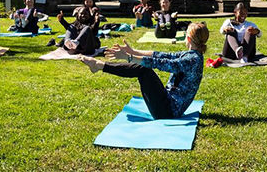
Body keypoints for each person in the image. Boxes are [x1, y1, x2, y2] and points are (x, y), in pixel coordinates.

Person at [79, 22, 209, 119]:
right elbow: (161, 55)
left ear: (188, 39)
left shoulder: (193, 60)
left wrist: (128, 57)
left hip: (168, 111)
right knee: (145, 68)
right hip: (167, 103)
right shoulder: (192, 55)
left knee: (143, 69)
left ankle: (99, 65)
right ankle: (100, 66)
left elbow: (164, 63)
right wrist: (133, 52)